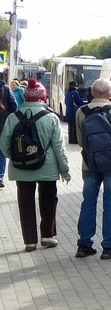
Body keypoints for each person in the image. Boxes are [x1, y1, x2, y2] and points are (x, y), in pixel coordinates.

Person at [0, 78, 70, 251]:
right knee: (48, 200)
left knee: (25, 203)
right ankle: (47, 236)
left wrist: (15, 157)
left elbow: (3, 144)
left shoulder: (13, 117)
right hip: (47, 167)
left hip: (20, 169)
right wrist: (65, 170)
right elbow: (59, 147)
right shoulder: (51, 117)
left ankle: (30, 241)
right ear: (43, 97)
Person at [75, 79, 111, 260]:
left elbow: (80, 141)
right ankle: (109, 246)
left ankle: (84, 244)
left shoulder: (81, 112)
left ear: (92, 91)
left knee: (88, 202)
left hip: (89, 164)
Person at [0, 77, 18, 189]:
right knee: (1, 152)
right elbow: (14, 106)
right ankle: (0, 177)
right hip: (2, 126)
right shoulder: (5, 88)